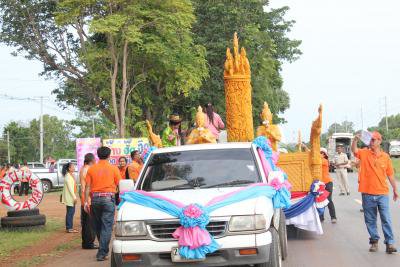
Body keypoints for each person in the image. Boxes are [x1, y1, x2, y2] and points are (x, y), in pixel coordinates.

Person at [352, 131, 398, 253]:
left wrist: (395, 189)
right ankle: (374, 242)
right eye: (370, 140)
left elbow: (390, 175)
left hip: (382, 193)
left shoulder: (386, 157)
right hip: (367, 193)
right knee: (370, 219)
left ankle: (390, 243)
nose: (371, 142)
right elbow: (355, 151)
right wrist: (355, 140)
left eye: (373, 140)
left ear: (379, 141)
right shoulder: (364, 153)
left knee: (386, 219)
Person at [84, 146, 122, 261]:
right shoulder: (113, 168)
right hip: (108, 199)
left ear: (98, 155)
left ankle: (103, 249)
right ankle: (102, 252)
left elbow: (87, 187)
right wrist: (121, 199)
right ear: (109, 155)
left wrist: (86, 202)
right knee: (106, 227)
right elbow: (120, 184)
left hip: (94, 200)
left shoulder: (91, 169)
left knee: (99, 226)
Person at [79, 153, 97, 249]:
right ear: (92, 160)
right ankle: (89, 243)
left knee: (86, 222)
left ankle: (86, 243)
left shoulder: (82, 168)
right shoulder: (88, 169)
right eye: (95, 160)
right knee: (90, 222)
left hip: (84, 198)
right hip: (88, 199)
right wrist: (88, 200)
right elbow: (87, 186)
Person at [320, 148, 337, 223]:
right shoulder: (319, 160)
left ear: (324, 154)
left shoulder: (325, 161)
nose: (319, 154)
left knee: (328, 200)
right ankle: (321, 218)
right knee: (320, 200)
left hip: (327, 183)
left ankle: (333, 217)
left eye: (320, 153)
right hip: (320, 184)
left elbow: (315, 159)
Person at [61, 162, 78, 233]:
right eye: (73, 167)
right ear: (69, 168)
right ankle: (69, 228)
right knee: (70, 212)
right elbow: (70, 188)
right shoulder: (68, 177)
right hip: (70, 197)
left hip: (71, 196)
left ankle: (69, 227)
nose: (74, 168)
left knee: (71, 212)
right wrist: (74, 197)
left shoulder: (70, 175)